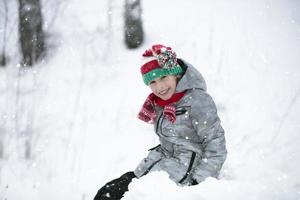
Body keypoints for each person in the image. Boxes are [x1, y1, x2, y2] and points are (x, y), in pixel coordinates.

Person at [93, 44, 227, 200]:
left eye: (163, 77)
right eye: (153, 82)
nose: (160, 87)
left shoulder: (197, 100)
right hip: (159, 166)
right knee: (107, 193)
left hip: (182, 175)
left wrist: (197, 182)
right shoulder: (158, 103)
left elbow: (216, 146)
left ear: (176, 74)